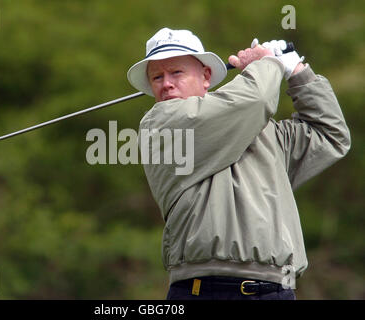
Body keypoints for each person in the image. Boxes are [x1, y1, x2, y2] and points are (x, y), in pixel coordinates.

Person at [127, 28, 351, 300]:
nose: (166, 84)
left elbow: (329, 134)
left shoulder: (263, 130)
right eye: (157, 77)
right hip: (206, 289)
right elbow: (256, 99)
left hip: (277, 289)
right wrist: (269, 62)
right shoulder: (160, 126)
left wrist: (297, 72)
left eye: (176, 72)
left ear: (206, 76)